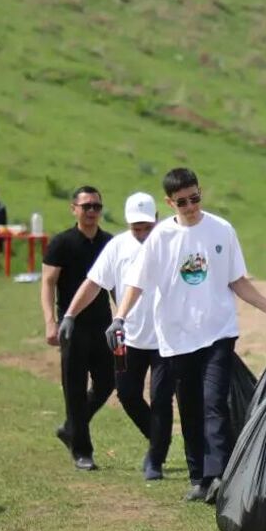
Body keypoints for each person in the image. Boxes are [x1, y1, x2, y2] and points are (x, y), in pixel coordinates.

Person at [106, 168, 266, 502]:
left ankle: (218, 473)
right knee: (190, 406)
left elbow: (237, 281)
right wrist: (119, 317)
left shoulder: (221, 230)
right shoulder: (161, 238)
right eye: (182, 202)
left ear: (200, 193)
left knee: (214, 402)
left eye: (195, 198)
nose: (191, 206)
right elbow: (136, 282)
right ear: (170, 203)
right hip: (177, 337)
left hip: (218, 332)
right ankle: (199, 477)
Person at [59, 192, 172, 481]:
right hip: (128, 336)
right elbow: (94, 283)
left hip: (166, 338)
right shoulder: (117, 247)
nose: (143, 233)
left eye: (148, 227)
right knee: (127, 394)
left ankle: (155, 458)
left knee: (160, 398)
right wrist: (70, 314)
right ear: (127, 223)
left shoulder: (171, 243)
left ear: (156, 220)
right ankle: (159, 439)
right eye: (137, 228)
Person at [41, 187, 113, 470]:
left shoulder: (109, 243)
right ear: (74, 209)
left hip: (102, 324)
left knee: (108, 382)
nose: (92, 211)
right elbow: (47, 283)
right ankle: (82, 451)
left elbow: (118, 283)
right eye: (86, 207)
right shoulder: (61, 242)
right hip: (72, 327)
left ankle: (71, 425)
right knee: (74, 388)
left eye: (97, 206)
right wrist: (50, 322)